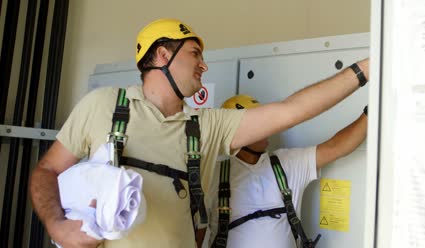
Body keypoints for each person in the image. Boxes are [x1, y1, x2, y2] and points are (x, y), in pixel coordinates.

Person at [29, 18, 369, 248]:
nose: (203, 65)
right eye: (195, 54)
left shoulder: (207, 126)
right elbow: (47, 171)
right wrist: (56, 224)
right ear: (162, 54)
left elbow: (292, 110)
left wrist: (367, 69)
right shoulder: (102, 105)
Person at [201, 95, 368, 248]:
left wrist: (370, 113)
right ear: (234, 132)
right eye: (258, 125)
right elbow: (194, 234)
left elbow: (337, 147)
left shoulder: (286, 163)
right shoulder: (211, 175)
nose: (267, 129)